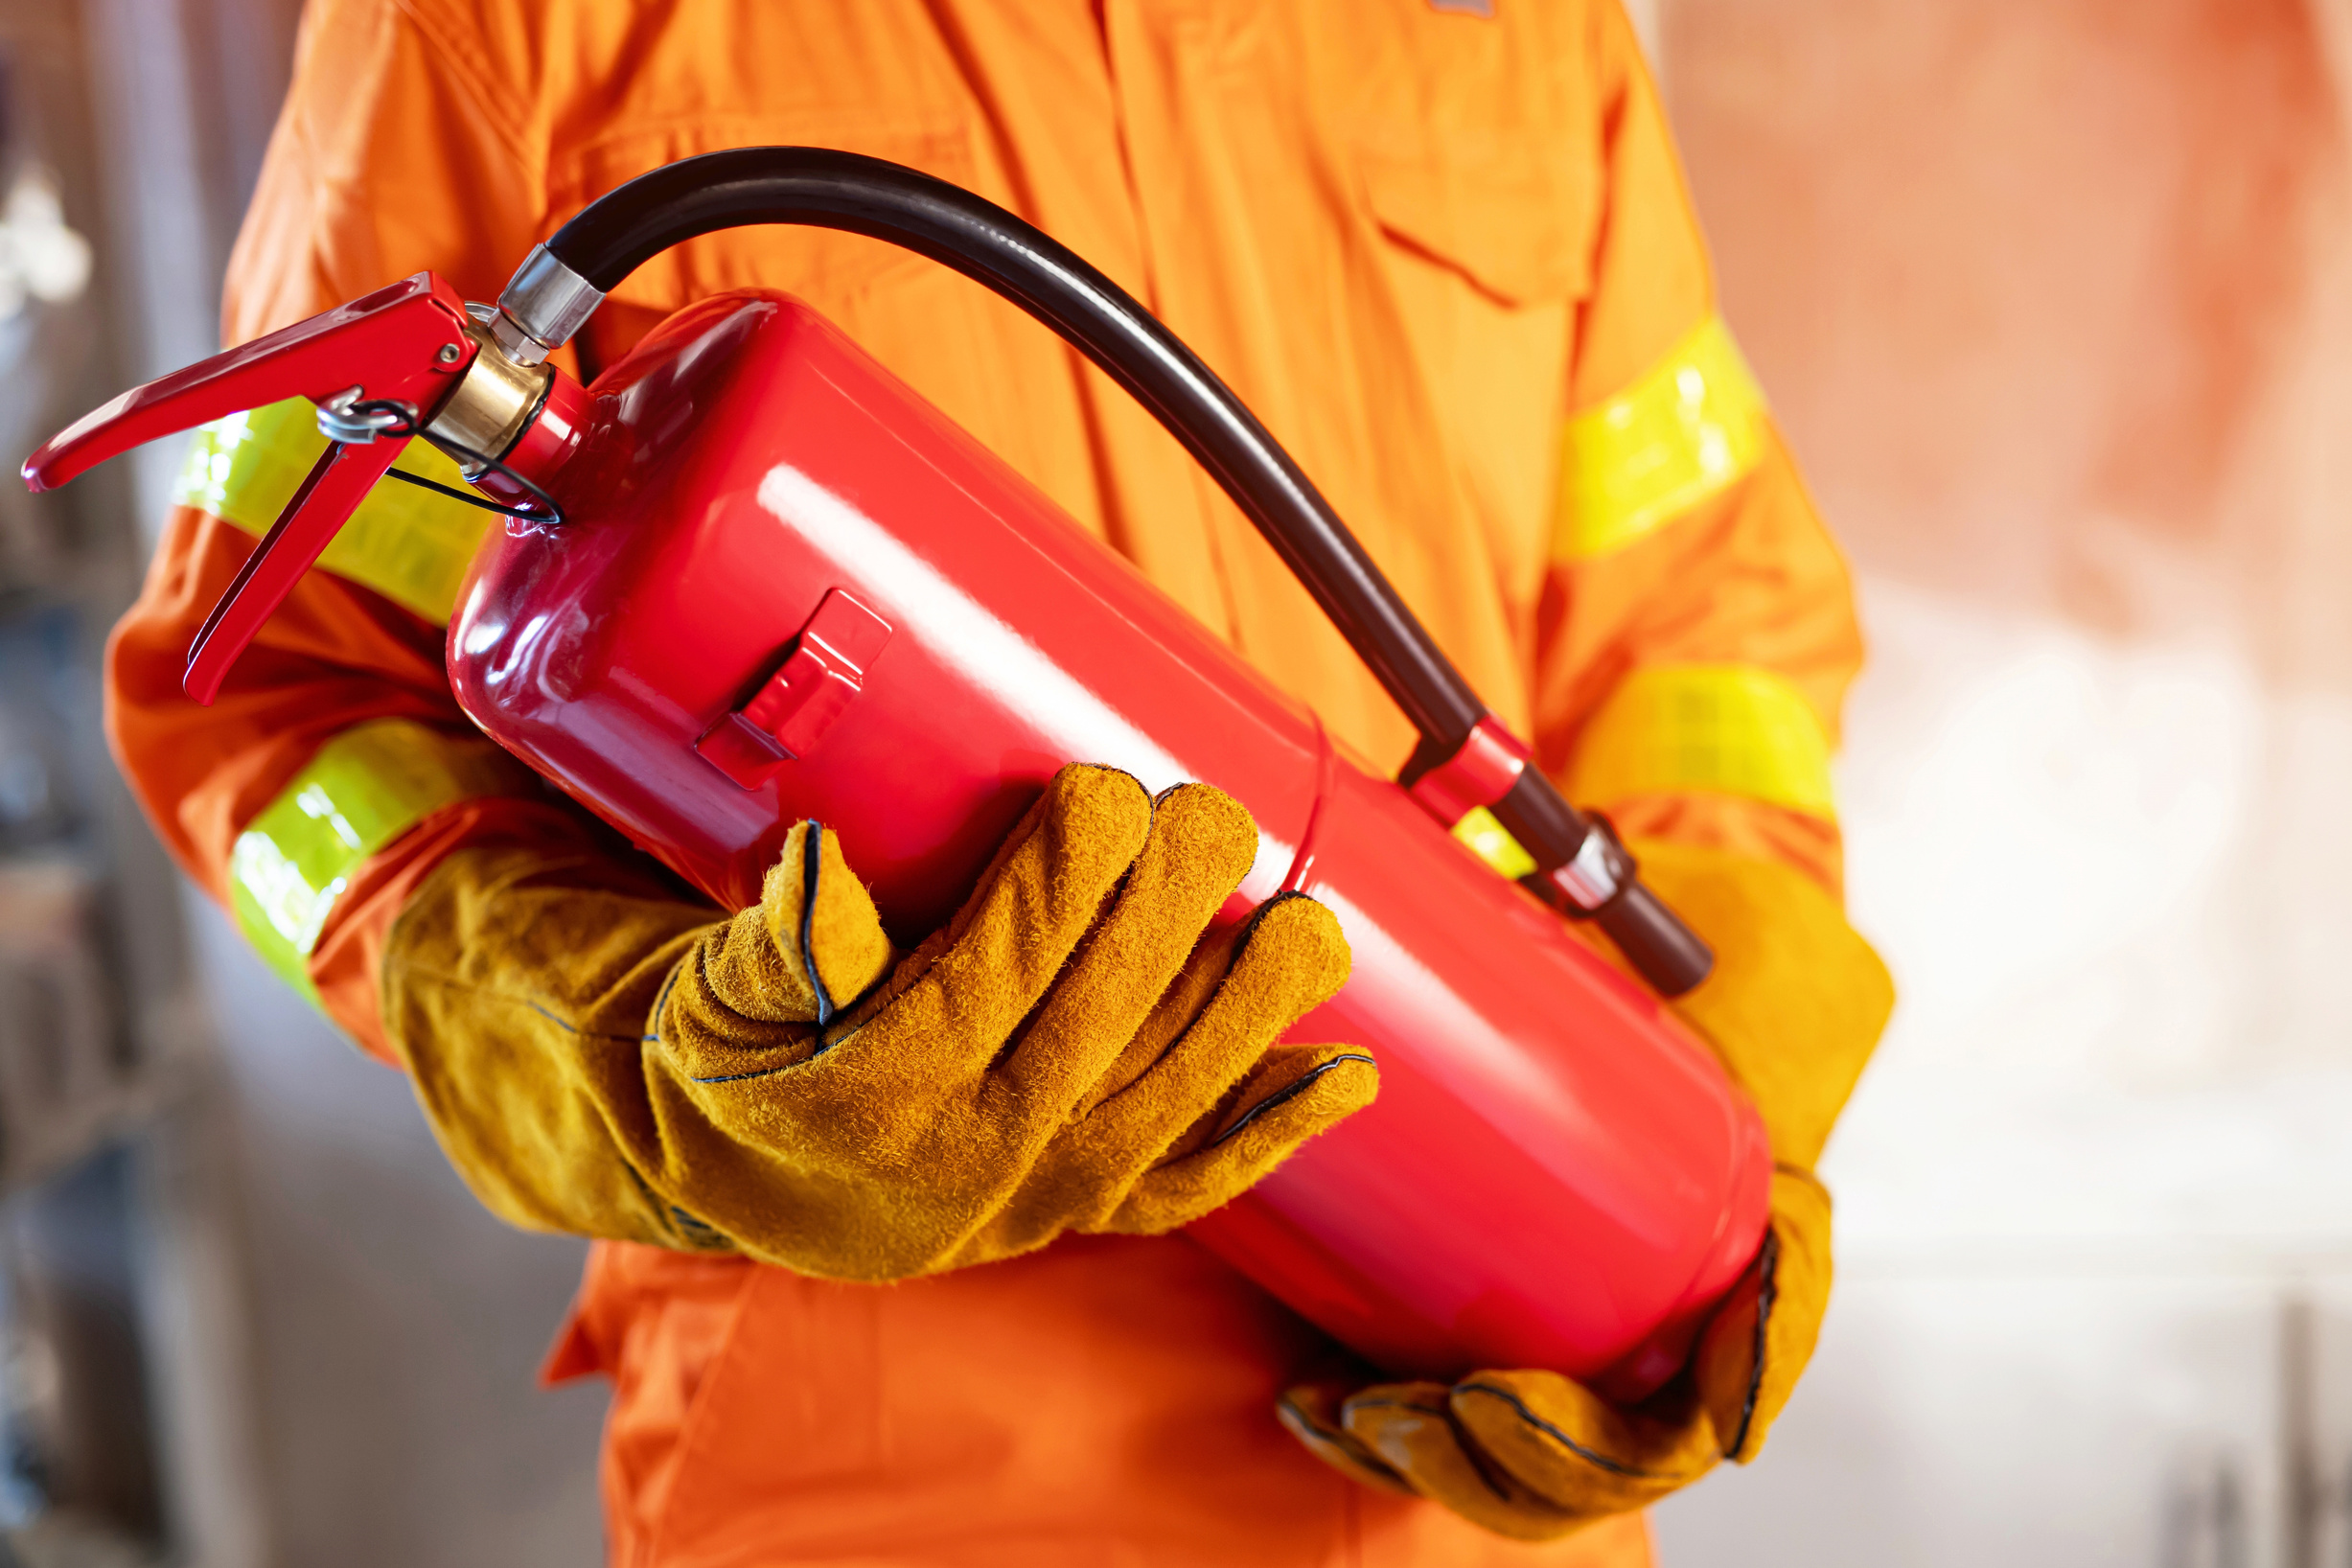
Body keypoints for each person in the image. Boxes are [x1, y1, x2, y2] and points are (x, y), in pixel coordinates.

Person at [106, 2, 1893, 1562]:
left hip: (1478, 1406)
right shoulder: (498, 21)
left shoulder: (1504, 22)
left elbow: (1702, 628)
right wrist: (649, 1062)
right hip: (891, 1488)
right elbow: (271, 716)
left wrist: (1700, 1117)